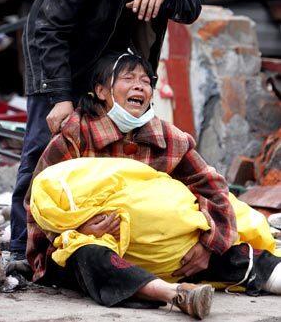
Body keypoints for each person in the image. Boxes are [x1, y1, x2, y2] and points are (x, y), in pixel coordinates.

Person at [26, 51, 281, 319]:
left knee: (229, 252)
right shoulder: (75, 136)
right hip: (98, 247)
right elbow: (38, 203)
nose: (140, 85)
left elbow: (213, 189)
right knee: (87, 256)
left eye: (145, 81)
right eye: (128, 78)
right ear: (101, 90)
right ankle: (175, 294)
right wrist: (77, 227)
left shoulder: (169, 138)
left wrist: (208, 245)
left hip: (162, 251)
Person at [10, 0, 209, 263]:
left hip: (114, 65)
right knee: (42, 150)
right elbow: (49, 30)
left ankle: (107, 240)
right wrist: (59, 97)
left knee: (111, 156)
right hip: (58, 60)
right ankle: (22, 249)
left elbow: (192, 4)